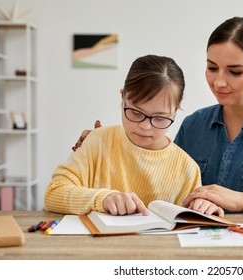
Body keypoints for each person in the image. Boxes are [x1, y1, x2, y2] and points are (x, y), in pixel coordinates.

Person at [73, 17, 243, 215]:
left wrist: (242, 200)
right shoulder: (194, 126)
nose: (219, 82)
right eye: (212, 67)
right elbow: (158, 177)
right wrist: (107, 144)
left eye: (235, 72)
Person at [45, 54, 223, 217]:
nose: (145, 126)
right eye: (136, 112)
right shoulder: (97, 142)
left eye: (160, 118)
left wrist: (204, 209)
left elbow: (189, 223)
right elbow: (53, 194)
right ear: (123, 97)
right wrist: (103, 198)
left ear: (175, 110)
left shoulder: (187, 169)